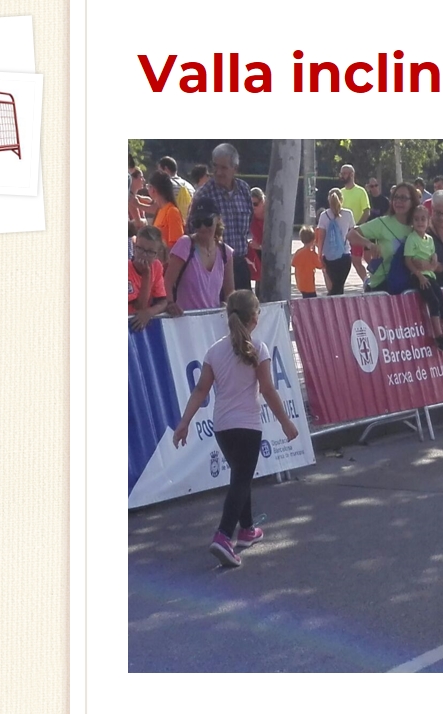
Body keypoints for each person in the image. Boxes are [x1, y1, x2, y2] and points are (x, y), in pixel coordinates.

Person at [172, 290, 301, 567]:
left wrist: (184, 422)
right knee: (241, 479)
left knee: (241, 475)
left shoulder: (214, 351)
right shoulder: (259, 349)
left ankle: (247, 529)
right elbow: (267, 389)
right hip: (248, 425)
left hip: (222, 427)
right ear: (255, 318)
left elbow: (200, 390)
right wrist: (286, 422)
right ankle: (223, 535)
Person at [191, 144, 255, 291]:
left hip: (240, 265)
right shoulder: (203, 195)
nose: (218, 172)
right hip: (214, 266)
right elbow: (191, 230)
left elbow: (249, 220)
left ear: (235, 169)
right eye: (215, 166)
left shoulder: (244, 190)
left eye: (224, 168)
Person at [164, 196, 235, 314]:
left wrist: (227, 306)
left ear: (218, 219)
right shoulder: (185, 245)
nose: (202, 227)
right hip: (185, 319)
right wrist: (170, 304)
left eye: (207, 221)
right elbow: (167, 282)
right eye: (197, 223)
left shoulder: (226, 252)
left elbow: (230, 293)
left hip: (212, 321)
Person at [405, 206, 443, 351]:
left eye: (423, 219)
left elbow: (433, 262)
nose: (420, 222)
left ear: (428, 221)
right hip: (419, 276)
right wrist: (419, 276)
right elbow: (408, 261)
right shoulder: (412, 238)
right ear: (412, 222)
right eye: (416, 219)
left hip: (430, 275)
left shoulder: (429, 240)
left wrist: (432, 262)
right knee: (433, 302)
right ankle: (438, 335)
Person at [347, 181, 417, 294]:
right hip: (383, 287)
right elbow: (351, 235)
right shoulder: (382, 223)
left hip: (409, 285)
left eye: (403, 198)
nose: (398, 201)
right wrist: (369, 244)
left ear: (412, 201)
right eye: (396, 197)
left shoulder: (418, 226)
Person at [318, 188, 357, 296]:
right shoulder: (348, 214)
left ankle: (332, 302)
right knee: (339, 287)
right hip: (344, 255)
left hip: (329, 257)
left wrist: (319, 255)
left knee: (335, 287)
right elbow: (352, 233)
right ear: (342, 199)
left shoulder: (324, 215)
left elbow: (321, 237)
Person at [129, 227, 169, 331]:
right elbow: (139, 307)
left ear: (157, 254)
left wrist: (150, 312)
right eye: (140, 249)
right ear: (134, 246)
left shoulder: (157, 266)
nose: (144, 255)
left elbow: (162, 301)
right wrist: (146, 276)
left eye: (150, 252)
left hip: (142, 325)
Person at [147, 170, 185, 249]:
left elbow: (177, 245)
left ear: (153, 189)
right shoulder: (160, 210)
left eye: (148, 186)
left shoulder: (172, 211)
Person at [157, 156, 194, 223]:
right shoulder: (190, 186)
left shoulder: (167, 185)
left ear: (166, 169)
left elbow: (156, 208)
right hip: (189, 224)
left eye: (159, 171)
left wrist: (138, 204)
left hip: (173, 223)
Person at [293, 226, 324, 298]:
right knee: (312, 299)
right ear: (313, 240)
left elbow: (293, 263)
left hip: (300, 282)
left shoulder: (298, 252)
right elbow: (320, 265)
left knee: (305, 296)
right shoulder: (312, 254)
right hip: (309, 284)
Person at [247, 187, 265, 282]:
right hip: (258, 253)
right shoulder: (250, 216)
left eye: (255, 204)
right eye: (250, 205)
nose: (252, 207)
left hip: (271, 254)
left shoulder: (271, 215)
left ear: (262, 202)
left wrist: (260, 246)